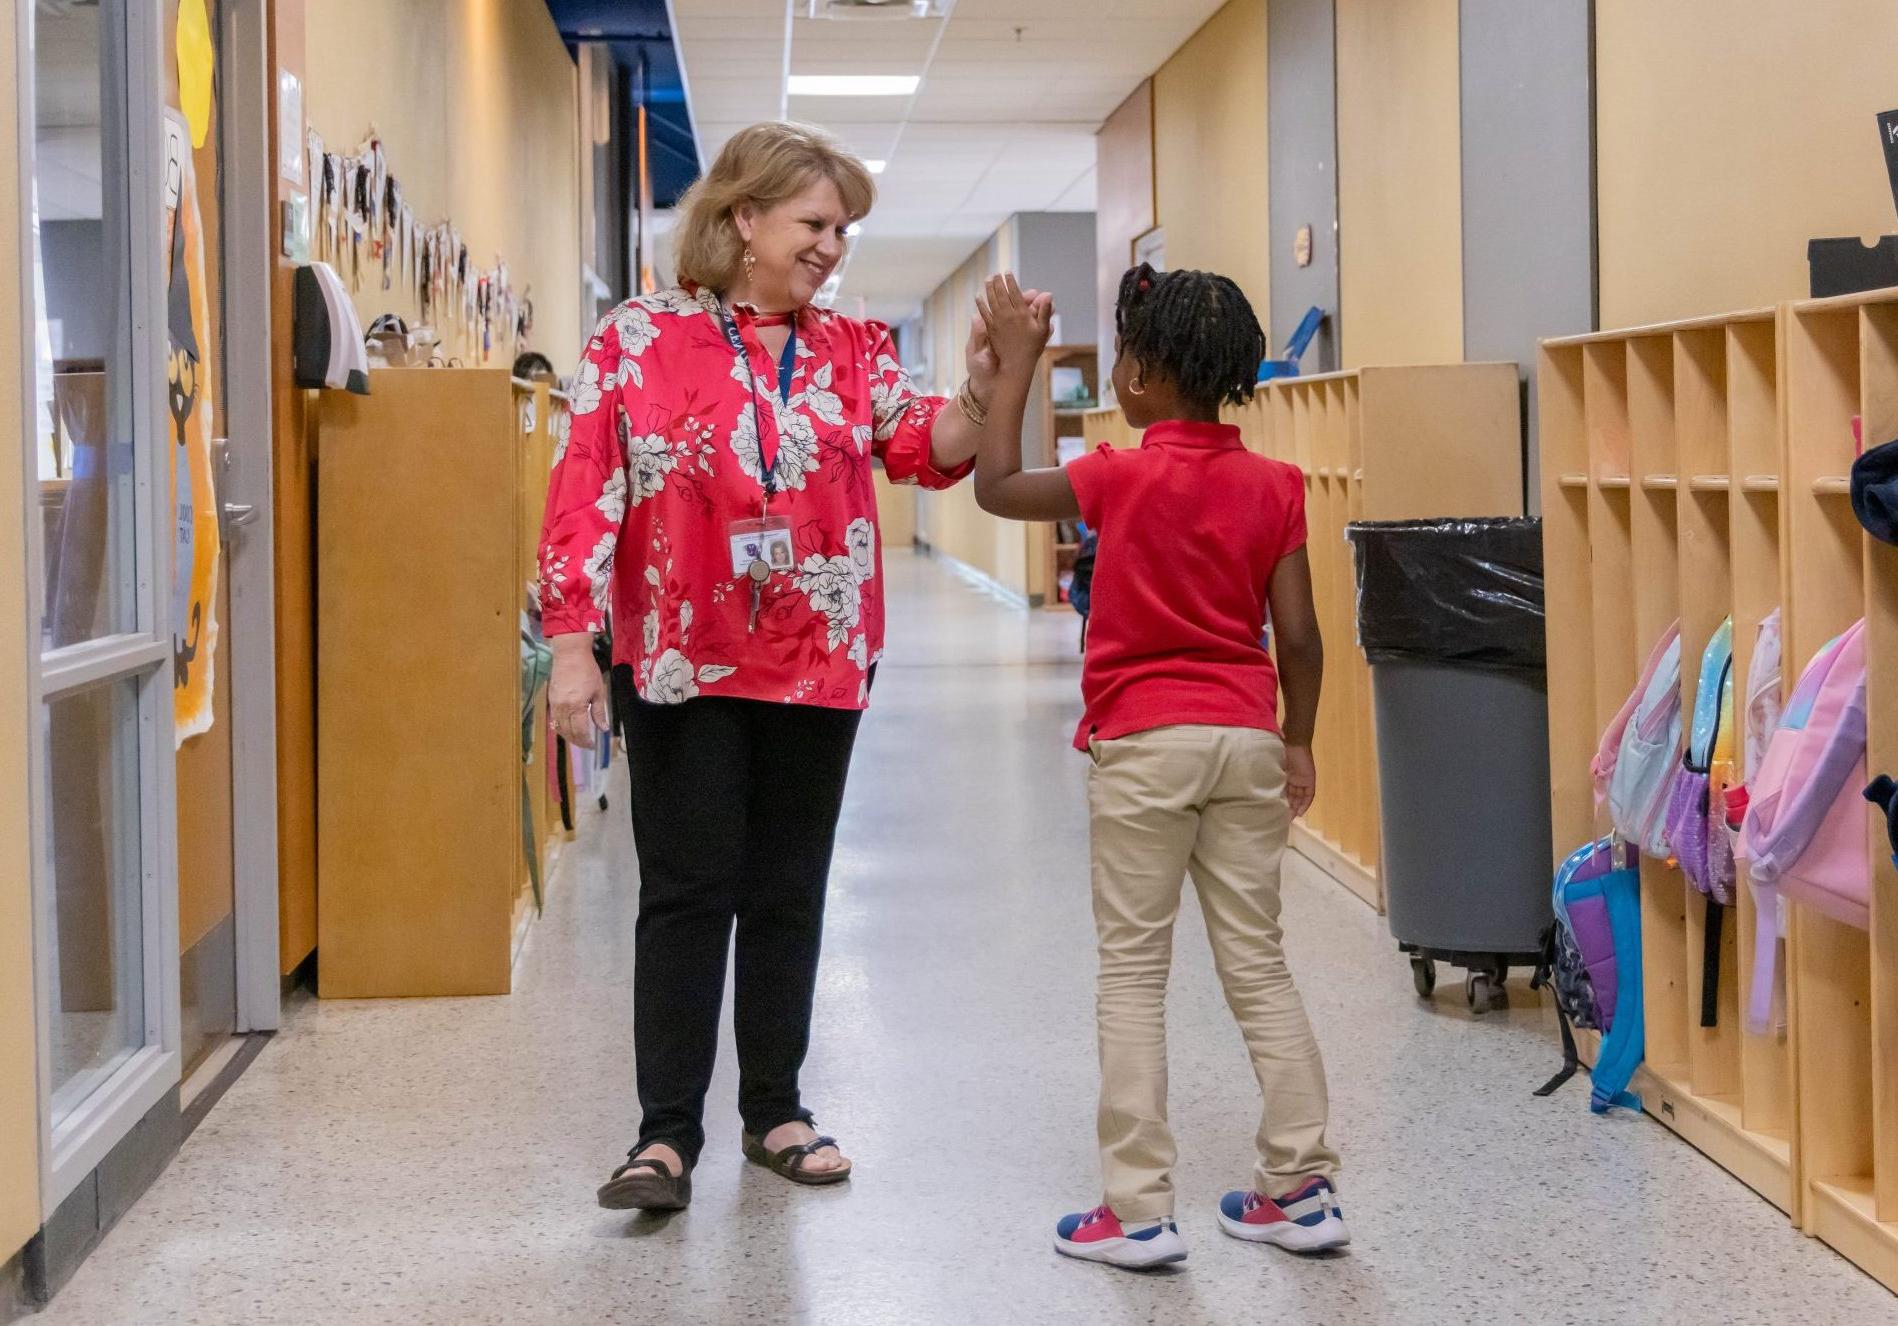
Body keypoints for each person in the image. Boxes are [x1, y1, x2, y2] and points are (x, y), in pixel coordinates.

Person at [536, 121, 1043, 1212]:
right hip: (679, 656)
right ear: (740, 219)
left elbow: (924, 449)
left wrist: (989, 381)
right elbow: (586, 491)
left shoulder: (853, 347)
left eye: (843, 229)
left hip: (818, 659)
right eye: (814, 224)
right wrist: (572, 645)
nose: (830, 247)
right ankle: (663, 1136)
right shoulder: (635, 341)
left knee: (787, 891)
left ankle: (775, 1110)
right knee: (684, 892)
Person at [971, 267, 1346, 1269]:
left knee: (1134, 974)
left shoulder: (1116, 473)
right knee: (1257, 963)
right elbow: (1300, 638)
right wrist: (1295, 738)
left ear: (1137, 372)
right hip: (1243, 740)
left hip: (1142, 744)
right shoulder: (1273, 486)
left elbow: (998, 485)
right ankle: (1300, 1190)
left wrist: (1019, 365)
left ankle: (1137, 1212)